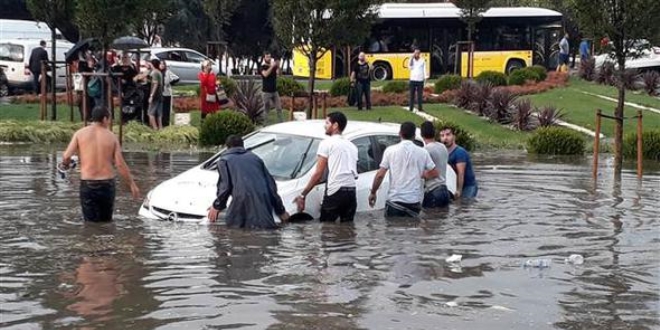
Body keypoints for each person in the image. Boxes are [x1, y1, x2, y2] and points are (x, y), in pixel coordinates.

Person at [60, 106, 140, 222]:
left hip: (88, 184)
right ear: (104, 119)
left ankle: (91, 239)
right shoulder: (111, 137)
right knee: (106, 222)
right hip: (107, 184)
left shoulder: (80, 134)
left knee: (89, 223)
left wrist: (66, 164)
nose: (109, 122)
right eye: (109, 119)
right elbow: (119, 164)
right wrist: (132, 184)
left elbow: (66, 156)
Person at [207, 135, 290, 229]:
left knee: (238, 237)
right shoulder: (256, 159)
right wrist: (281, 211)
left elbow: (225, 187)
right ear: (243, 146)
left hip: (240, 207)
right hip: (263, 209)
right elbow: (271, 187)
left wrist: (217, 206)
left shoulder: (224, 161)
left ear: (227, 147)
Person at [293, 112, 358, 222]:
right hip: (351, 192)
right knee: (348, 232)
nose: (325, 126)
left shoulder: (326, 143)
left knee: (326, 230)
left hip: (335, 192)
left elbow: (318, 174)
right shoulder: (352, 146)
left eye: (327, 123)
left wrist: (303, 195)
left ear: (335, 125)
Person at [368, 122, 438, 218]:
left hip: (395, 201)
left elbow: (380, 175)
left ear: (400, 133)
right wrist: (420, 175)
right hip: (414, 202)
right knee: (413, 230)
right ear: (414, 136)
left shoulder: (390, 151)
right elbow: (434, 172)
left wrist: (373, 192)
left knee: (393, 231)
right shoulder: (423, 152)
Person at [440, 126, 477, 199]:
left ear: (454, 137)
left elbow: (461, 173)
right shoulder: (442, 152)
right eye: (442, 136)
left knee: (463, 205)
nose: (445, 138)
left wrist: (459, 191)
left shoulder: (460, 152)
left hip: (468, 186)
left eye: (448, 135)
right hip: (453, 184)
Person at [420, 121, 450, 208]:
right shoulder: (442, 147)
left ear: (422, 135)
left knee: (430, 220)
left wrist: (420, 174)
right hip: (444, 190)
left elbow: (433, 173)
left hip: (433, 191)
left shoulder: (425, 150)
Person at [260, 52, 283, 123]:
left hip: (274, 91)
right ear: (264, 58)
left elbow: (279, 74)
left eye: (269, 57)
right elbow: (265, 74)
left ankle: (281, 123)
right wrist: (272, 66)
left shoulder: (273, 66)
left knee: (279, 108)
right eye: (267, 57)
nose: (269, 58)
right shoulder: (262, 66)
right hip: (266, 92)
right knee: (266, 109)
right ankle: (264, 123)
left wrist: (278, 66)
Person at [160, 60, 179, 127]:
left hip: (167, 93)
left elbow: (177, 78)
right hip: (160, 93)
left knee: (166, 110)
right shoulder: (158, 72)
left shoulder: (167, 72)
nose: (162, 65)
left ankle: (166, 123)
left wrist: (170, 83)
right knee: (161, 110)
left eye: (163, 64)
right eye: (160, 64)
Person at [147, 58, 164, 130]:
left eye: (150, 63)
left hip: (155, 95)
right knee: (159, 113)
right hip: (160, 95)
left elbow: (155, 84)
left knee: (150, 113)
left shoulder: (154, 72)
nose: (149, 64)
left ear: (153, 64)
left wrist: (151, 96)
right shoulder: (159, 72)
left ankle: (155, 128)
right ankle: (160, 127)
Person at [408, 48, 427, 112]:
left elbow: (424, 69)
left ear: (419, 54)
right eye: (415, 53)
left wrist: (425, 77)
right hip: (413, 79)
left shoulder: (422, 60)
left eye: (418, 53)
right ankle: (411, 108)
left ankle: (420, 108)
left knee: (419, 95)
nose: (416, 54)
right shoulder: (411, 60)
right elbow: (410, 67)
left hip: (420, 80)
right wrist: (411, 58)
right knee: (411, 95)